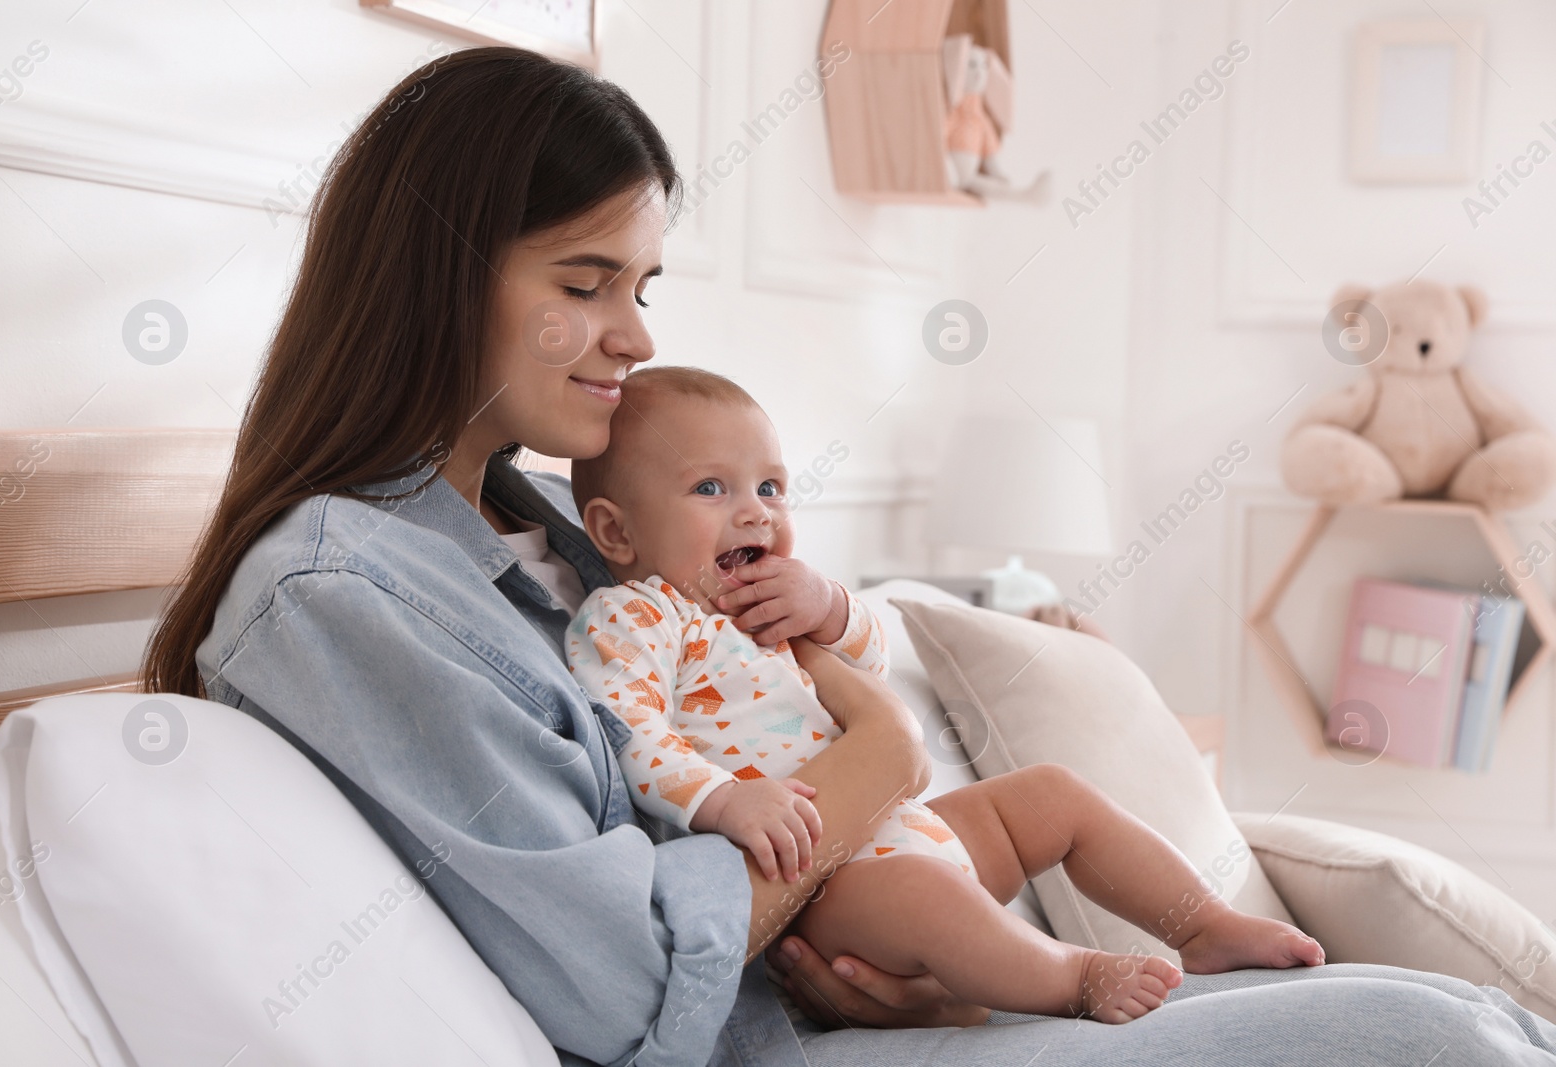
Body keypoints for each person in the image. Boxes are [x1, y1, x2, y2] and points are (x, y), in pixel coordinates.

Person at [140, 45, 1556, 1067]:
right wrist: (874, 759)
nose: (635, 335)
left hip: (846, 998)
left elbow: (750, 818)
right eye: (585, 283)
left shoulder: (548, 532)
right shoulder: (341, 591)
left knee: (1469, 1023)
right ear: (435, 278)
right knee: (1444, 1034)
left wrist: (886, 948)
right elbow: (628, 979)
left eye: (642, 285)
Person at [564, 366, 1323, 1023]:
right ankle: (1072, 977)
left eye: (770, 486)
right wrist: (728, 800)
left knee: (1051, 796)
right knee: (927, 894)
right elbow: (628, 730)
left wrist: (830, 606)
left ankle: (1201, 922)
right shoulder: (638, 615)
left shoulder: (771, 607)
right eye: (710, 487)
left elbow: (872, 654)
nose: (757, 511)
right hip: (821, 882)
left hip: (898, 823)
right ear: (617, 531)